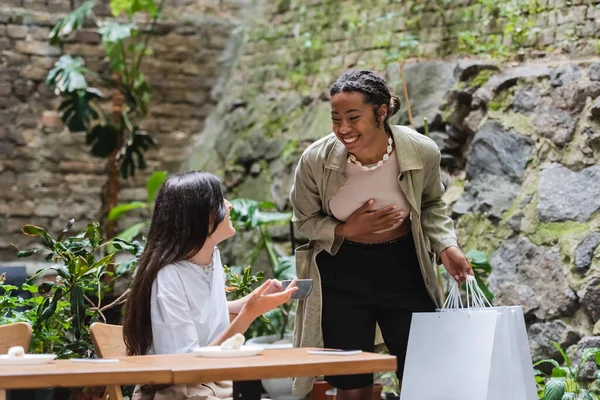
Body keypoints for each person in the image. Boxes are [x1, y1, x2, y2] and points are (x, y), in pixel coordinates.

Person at [289, 70, 473, 400]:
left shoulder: (421, 151)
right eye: (336, 118)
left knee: (422, 370)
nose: (343, 129)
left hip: (404, 267)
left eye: (353, 117)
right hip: (341, 272)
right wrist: (346, 229)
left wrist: (447, 245)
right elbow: (303, 220)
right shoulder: (316, 161)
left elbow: (430, 205)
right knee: (350, 379)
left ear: (382, 111)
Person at [123, 171, 298, 400]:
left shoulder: (211, 257)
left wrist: (252, 302)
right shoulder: (168, 277)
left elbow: (199, 312)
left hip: (218, 384)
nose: (230, 206)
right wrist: (248, 314)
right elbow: (186, 369)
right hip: (178, 392)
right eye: (220, 201)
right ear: (201, 217)